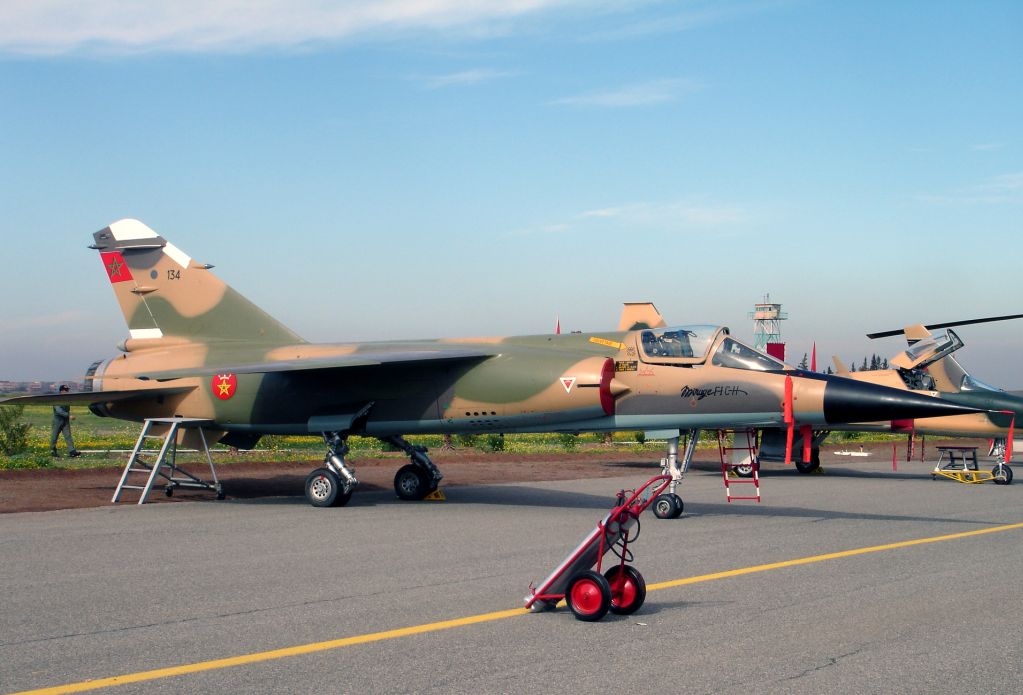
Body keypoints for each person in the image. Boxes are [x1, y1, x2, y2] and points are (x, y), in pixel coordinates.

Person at [50, 384, 80, 458]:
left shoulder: (66, 399)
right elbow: (59, 411)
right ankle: (52, 450)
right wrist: (69, 416)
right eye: (65, 390)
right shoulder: (56, 399)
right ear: (61, 391)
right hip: (57, 421)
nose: (67, 391)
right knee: (54, 436)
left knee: (68, 436)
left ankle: (72, 451)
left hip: (65, 420)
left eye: (67, 390)